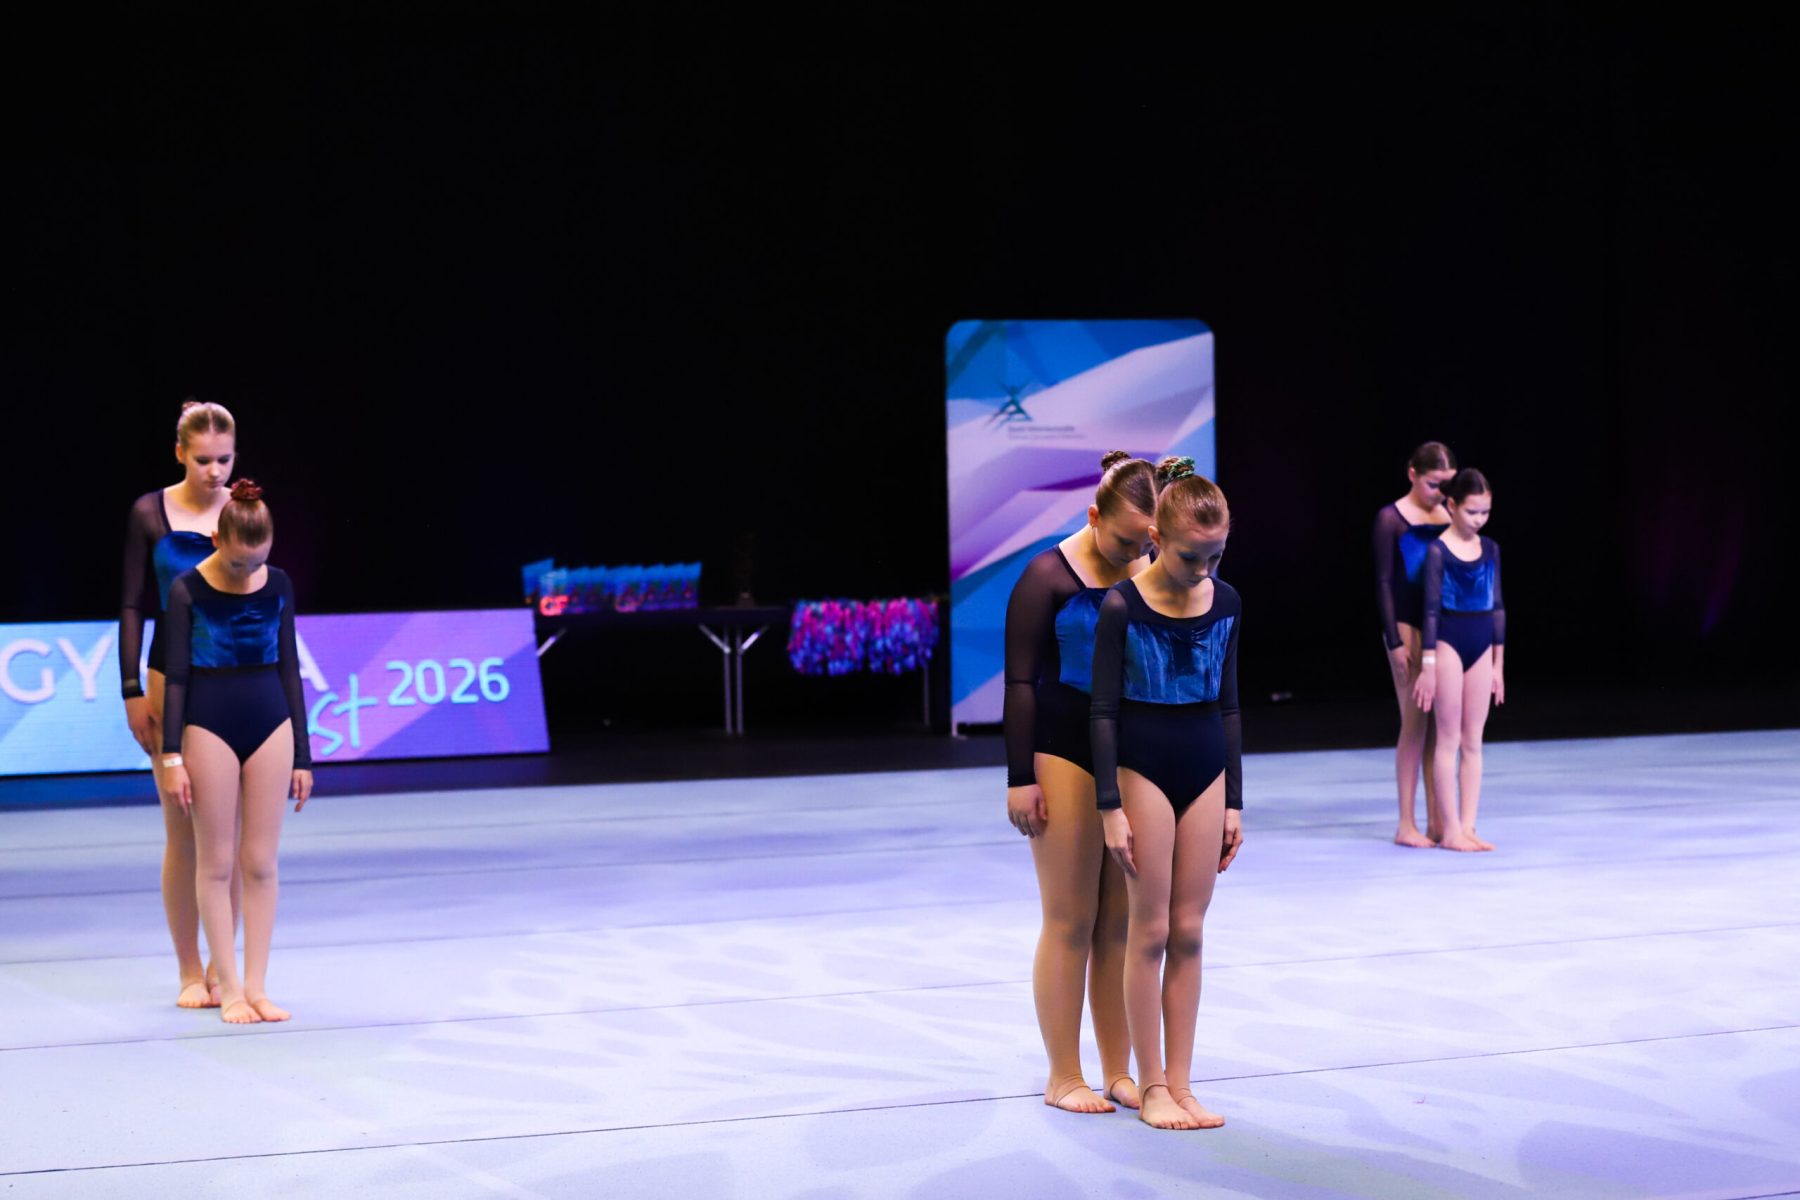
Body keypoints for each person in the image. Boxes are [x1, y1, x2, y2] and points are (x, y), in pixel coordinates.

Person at [1091, 457, 1243, 1131]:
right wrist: (1109, 806)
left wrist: (1234, 799)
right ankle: (1149, 1085)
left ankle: (1182, 1084)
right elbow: (1102, 711)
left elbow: (1230, 704)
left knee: (1189, 931)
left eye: (1216, 556)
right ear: (1156, 538)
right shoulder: (1122, 606)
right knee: (1148, 930)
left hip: (1205, 765)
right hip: (1144, 767)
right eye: (1190, 557)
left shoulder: (1227, 602)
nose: (1203, 570)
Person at [1003, 451, 1156, 1114]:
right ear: (1094, 515)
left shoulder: (1151, 569)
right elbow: (1019, 682)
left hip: (1128, 750)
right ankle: (1063, 1074)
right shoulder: (1046, 575)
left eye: (1146, 542)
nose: (1134, 553)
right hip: (1063, 749)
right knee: (1071, 918)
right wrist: (1020, 777)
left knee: (1120, 921)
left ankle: (1118, 1069)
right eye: (1124, 540)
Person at [160, 480, 314, 1023]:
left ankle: (257, 986)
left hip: (270, 720)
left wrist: (303, 755)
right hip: (209, 722)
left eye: (258, 562)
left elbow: (290, 667)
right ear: (217, 541)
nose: (249, 572)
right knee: (217, 862)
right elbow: (176, 678)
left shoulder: (280, 584)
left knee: (261, 863)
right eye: (238, 562)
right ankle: (226, 986)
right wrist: (172, 757)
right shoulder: (187, 589)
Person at [120, 398, 242, 1008]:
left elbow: (263, 594)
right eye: (203, 461)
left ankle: (224, 964)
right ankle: (189, 970)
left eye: (225, 459)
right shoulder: (150, 512)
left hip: (233, 679)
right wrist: (129, 689)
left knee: (229, 837)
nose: (215, 472)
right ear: (179, 454)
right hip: (169, 678)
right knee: (183, 833)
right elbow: (132, 604)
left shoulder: (245, 510)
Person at [1413, 468, 1505, 853]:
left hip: (1482, 643)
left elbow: (1498, 606)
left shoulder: (1491, 548)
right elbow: (1430, 610)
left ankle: (1468, 825)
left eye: (1485, 512)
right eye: (1472, 512)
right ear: (1452, 505)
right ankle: (1449, 829)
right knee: (1448, 739)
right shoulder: (1439, 551)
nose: (1479, 520)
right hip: (1449, 641)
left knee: (1473, 741)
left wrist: (1498, 664)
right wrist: (1428, 665)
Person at [1372, 442, 1457, 847]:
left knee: (1442, 726)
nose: (1440, 492)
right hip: (1407, 626)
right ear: (1412, 474)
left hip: (1442, 627)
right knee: (1415, 723)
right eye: (1433, 484)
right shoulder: (1391, 518)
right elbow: (1384, 582)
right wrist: (1393, 641)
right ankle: (1406, 823)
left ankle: (1438, 820)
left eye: (1446, 485)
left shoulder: (1449, 514)